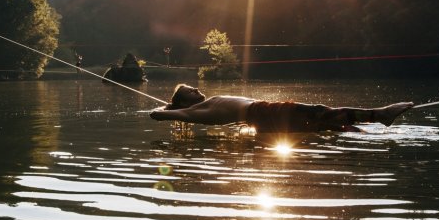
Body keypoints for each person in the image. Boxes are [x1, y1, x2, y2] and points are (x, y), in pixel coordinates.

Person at [150, 84, 413, 133]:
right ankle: (381, 115)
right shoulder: (198, 112)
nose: (197, 90)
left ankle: (360, 130)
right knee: (319, 112)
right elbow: (164, 114)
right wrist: (163, 110)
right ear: (185, 102)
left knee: (321, 125)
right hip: (264, 112)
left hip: (263, 119)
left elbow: (172, 111)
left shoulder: (205, 106)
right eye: (190, 92)